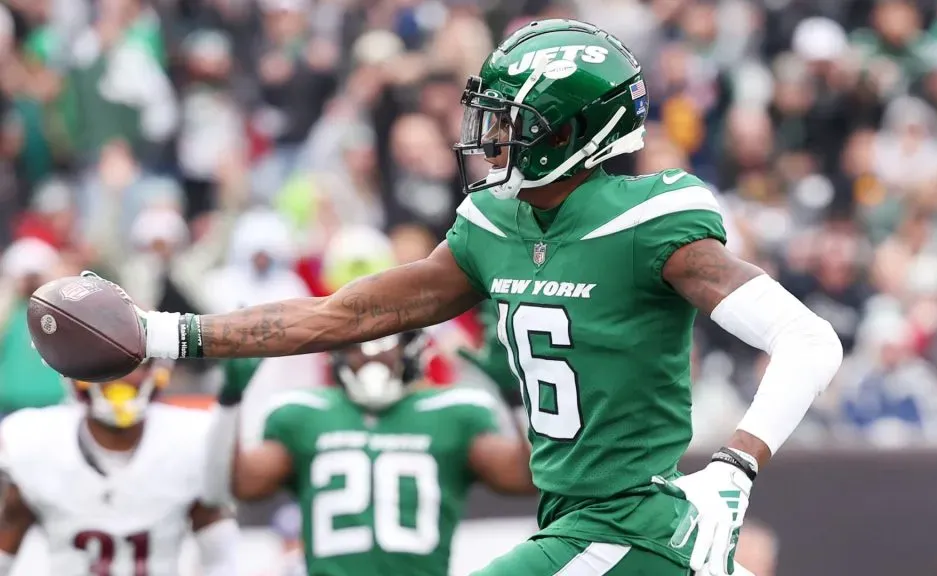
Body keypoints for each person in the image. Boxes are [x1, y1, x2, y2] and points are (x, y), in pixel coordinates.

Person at [82, 18, 842, 576]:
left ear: (576, 129)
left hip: (634, 523)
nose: (493, 134)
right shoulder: (491, 226)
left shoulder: (646, 223)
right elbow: (342, 315)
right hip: (576, 521)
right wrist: (167, 335)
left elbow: (811, 340)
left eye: (516, 119)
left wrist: (736, 468)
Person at [204, 330, 533, 576]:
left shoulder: (452, 412)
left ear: (412, 349)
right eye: (359, 346)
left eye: (386, 345)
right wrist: (230, 401)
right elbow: (235, 486)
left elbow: (529, 477)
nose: (372, 357)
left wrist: (519, 396)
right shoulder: (304, 413)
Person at [0, 360, 239, 575]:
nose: (122, 377)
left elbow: (219, 559)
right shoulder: (34, 443)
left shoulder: (190, 438)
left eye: (136, 364)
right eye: (107, 365)